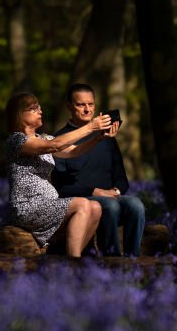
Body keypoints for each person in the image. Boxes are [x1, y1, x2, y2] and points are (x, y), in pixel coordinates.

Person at [4, 92, 118, 257]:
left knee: (96, 207)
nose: (40, 111)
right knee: (83, 204)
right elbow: (54, 146)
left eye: (40, 107)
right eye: (33, 108)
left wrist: (98, 138)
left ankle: (71, 256)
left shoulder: (44, 138)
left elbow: (75, 151)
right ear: (19, 114)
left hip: (49, 204)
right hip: (27, 206)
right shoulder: (16, 141)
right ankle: (73, 262)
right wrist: (91, 127)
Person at [52, 83, 146, 257]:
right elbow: (61, 188)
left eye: (91, 104)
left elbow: (120, 176)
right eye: (81, 105)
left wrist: (115, 190)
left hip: (110, 196)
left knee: (136, 205)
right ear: (69, 107)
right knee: (110, 206)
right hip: (85, 200)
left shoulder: (107, 137)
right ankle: (113, 258)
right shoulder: (60, 139)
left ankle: (134, 259)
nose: (87, 110)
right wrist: (96, 191)